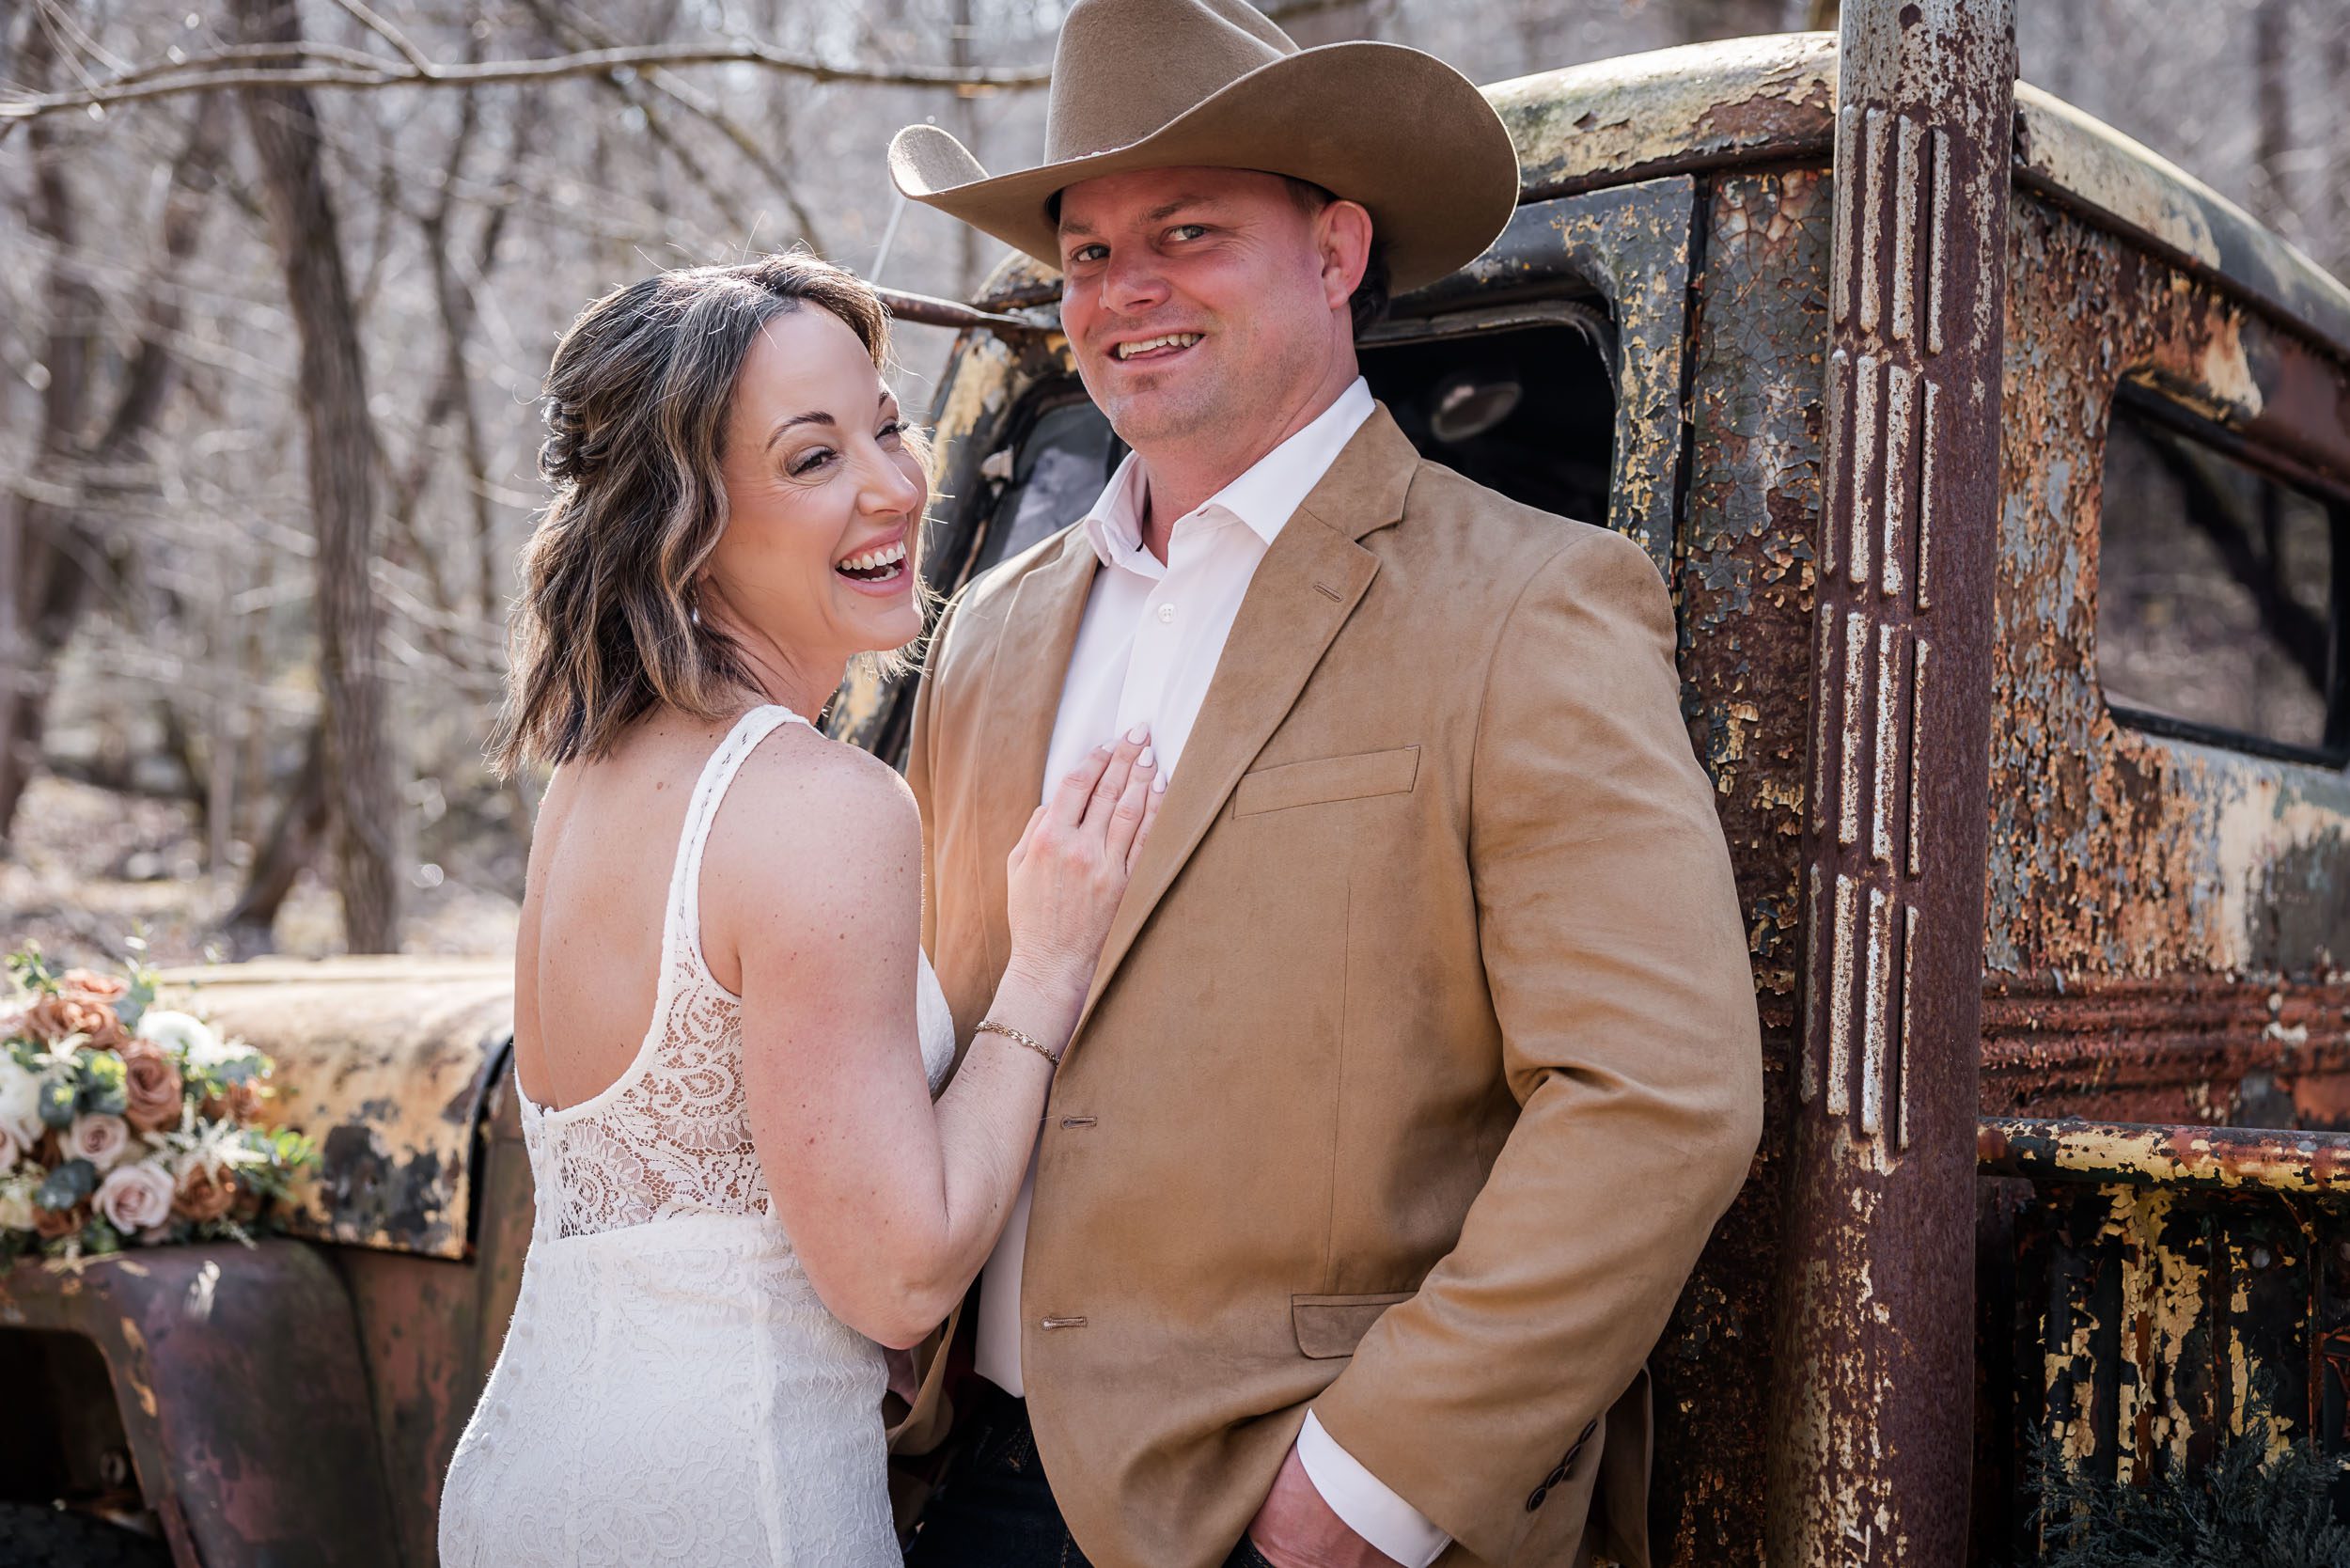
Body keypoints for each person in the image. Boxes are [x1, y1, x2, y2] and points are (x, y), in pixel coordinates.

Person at [888, 2, 1765, 1565]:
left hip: (1292, 1509)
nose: (1124, 290)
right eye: (1087, 253)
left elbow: (1657, 1099)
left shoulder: (1529, 603)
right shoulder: (988, 635)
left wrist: (1369, 1489)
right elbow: (948, 1029)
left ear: (1339, 248)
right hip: (973, 1490)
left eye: (1188, 232)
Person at [435, 252, 1161, 1568]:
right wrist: (1045, 974)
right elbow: (897, 1272)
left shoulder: (591, 777)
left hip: (529, 1476)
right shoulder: (819, 805)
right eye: (812, 459)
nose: (893, 486)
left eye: (887, 425)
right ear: (688, 523)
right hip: (733, 1503)